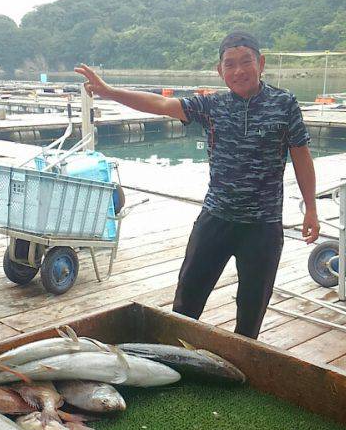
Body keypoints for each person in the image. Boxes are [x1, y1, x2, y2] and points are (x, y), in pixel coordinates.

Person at [75, 30, 320, 339]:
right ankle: (175, 358)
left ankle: (241, 363)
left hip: (263, 227)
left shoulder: (284, 104)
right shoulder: (212, 105)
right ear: (220, 71)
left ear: (261, 63)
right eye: (230, 64)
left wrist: (311, 209)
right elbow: (161, 104)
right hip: (215, 219)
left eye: (246, 61)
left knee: (251, 314)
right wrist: (110, 92)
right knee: (185, 305)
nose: (239, 71)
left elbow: (301, 156)